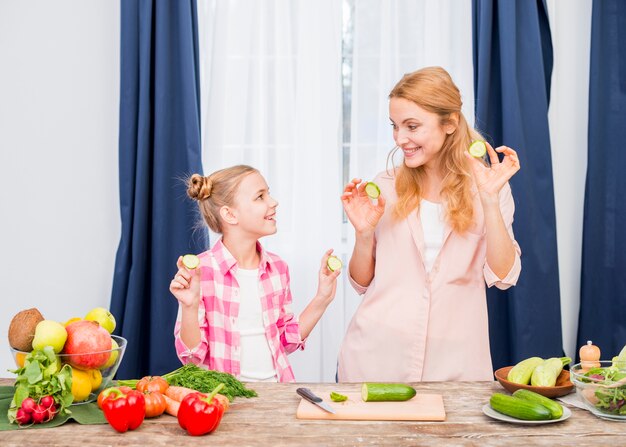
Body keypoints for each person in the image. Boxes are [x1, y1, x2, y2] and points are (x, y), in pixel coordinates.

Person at [337, 66, 522, 382]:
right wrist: (363, 234)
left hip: (455, 365)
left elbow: (504, 275)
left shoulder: (490, 188)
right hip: (375, 358)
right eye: (395, 126)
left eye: (412, 126)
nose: (400, 139)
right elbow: (361, 282)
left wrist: (490, 200)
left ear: (449, 123)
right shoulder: (385, 187)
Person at [170, 165, 340, 382]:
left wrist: (322, 298)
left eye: (268, 193)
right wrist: (189, 306)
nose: (273, 202)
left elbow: (285, 341)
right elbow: (192, 358)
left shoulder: (277, 268)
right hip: (226, 400)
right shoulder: (200, 272)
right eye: (260, 196)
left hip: (276, 392)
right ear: (230, 214)